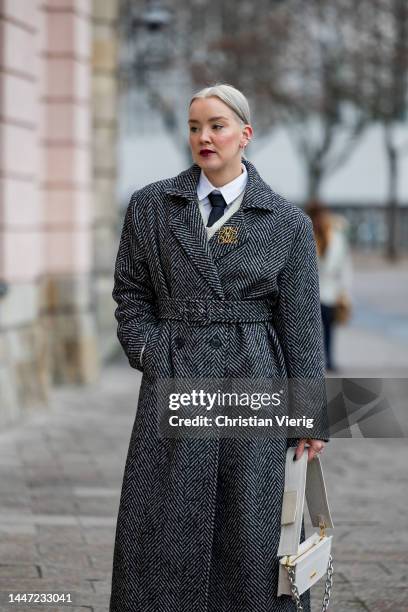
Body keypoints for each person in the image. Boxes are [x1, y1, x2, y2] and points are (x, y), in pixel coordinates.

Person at [110, 83, 330, 612]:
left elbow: (300, 324)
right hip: (175, 379)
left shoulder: (287, 223)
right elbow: (129, 295)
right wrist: (154, 354)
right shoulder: (152, 207)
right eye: (194, 127)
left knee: (249, 522)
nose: (204, 137)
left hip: (253, 380)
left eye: (216, 126)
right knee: (162, 518)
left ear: (245, 135)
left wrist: (309, 417)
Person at [305, 200, 353, 372]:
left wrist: (344, 291)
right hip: (309, 292)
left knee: (329, 328)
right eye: (317, 216)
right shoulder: (304, 235)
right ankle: (314, 361)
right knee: (311, 330)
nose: (320, 220)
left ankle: (329, 360)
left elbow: (345, 266)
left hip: (331, 291)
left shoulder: (336, 237)